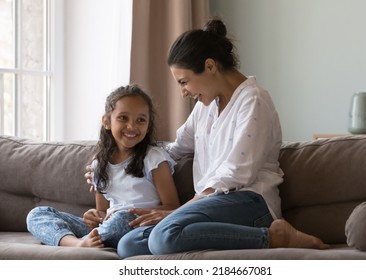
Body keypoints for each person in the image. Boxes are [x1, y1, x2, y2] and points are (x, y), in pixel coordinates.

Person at [96, 18, 328, 258]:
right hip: (209, 207)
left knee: (164, 236)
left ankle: (274, 235)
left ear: (209, 66)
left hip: (250, 202)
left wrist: (179, 211)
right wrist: (117, 163)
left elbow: (235, 174)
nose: (183, 92)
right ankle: (197, 233)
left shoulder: (253, 101)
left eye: (184, 82)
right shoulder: (205, 106)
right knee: (128, 245)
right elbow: (174, 150)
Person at [26, 84, 180, 248]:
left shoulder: (154, 158)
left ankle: (90, 239)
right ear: (107, 121)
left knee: (121, 219)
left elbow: (173, 207)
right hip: (108, 225)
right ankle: (76, 243)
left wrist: (131, 215)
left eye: (141, 120)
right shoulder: (99, 163)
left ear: (148, 126)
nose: (132, 126)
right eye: (123, 118)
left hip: (135, 225)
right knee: (37, 214)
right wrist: (93, 216)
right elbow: (102, 211)